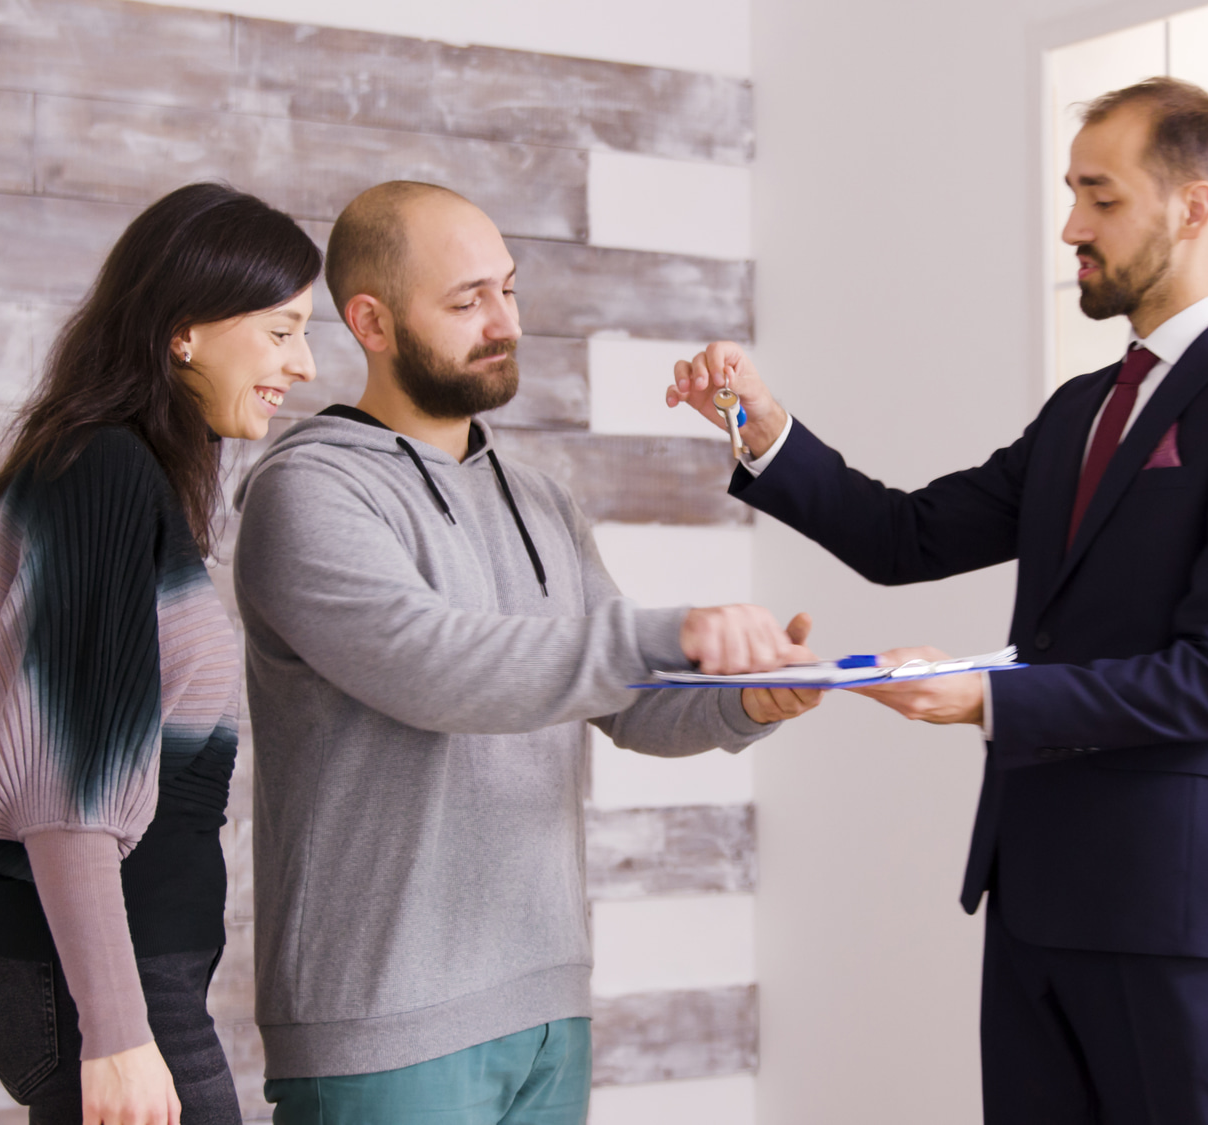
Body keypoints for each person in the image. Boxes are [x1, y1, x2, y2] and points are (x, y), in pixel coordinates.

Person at [666, 78, 1208, 1123]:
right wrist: (762, 428)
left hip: (1170, 921)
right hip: (1031, 901)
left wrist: (982, 694)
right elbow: (906, 537)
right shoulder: (1083, 407)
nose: (1071, 226)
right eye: (1069, 193)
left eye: (1100, 196)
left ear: (1192, 207)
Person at [231, 181, 820, 1125]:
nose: (503, 320)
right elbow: (439, 667)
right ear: (370, 322)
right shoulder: (308, 492)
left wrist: (743, 702)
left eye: (507, 289)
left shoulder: (541, 499)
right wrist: (671, 628)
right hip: (388, 1026)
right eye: (466, 302)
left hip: (548, 1007)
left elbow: (622, 699)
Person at [0, 182, 322, 1125]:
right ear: (183, 329)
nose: (304, 364)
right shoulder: (100, 469)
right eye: (281, 332)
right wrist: (116, 1030)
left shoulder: (120, 472)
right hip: (101, 993)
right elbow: (65, 774)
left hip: (122, 975)